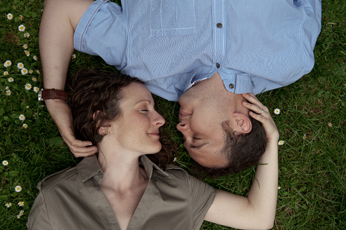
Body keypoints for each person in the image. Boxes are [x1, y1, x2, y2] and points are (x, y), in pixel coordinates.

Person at [39, 0, 321, 172]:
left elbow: (63, 8)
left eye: (185, 140)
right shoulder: (293, 60)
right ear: (240, 123)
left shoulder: (144, 65)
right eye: (197, 138)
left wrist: (54, 99)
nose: (178, 128)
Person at [27, 69, 279, 230]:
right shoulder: (56, 197)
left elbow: (258, 217)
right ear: (104, 122)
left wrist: (270, 141)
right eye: (144, 109)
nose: (161, 120)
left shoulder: (179, 188)